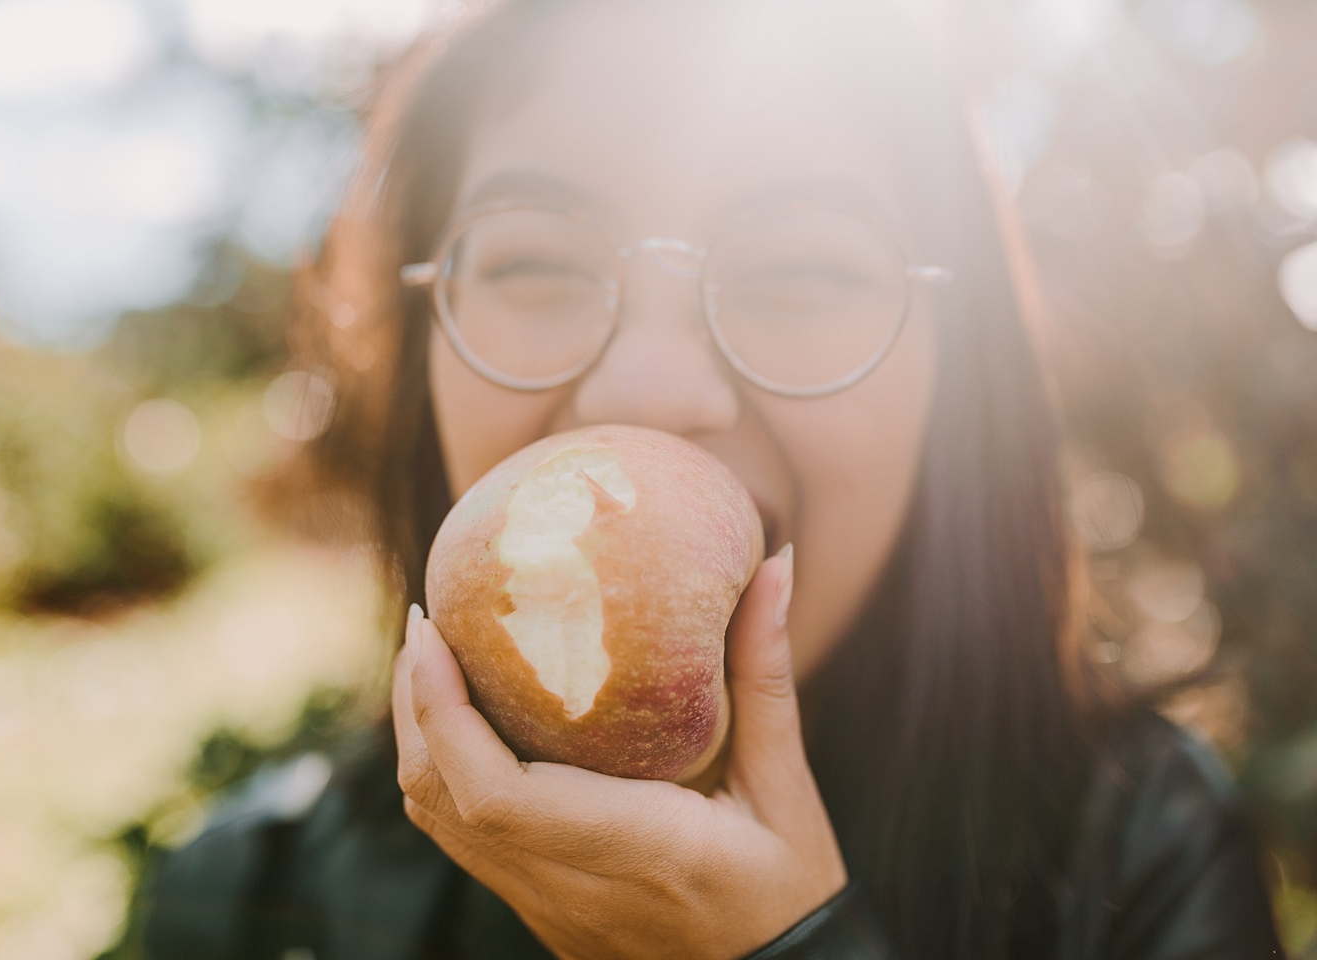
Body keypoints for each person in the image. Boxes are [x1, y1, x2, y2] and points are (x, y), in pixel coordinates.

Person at [142, 0, 1286, 957]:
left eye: (799, 267)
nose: (645, 390)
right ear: (420, 339)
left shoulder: (1148, 866)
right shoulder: (243, 901)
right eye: (534, 260)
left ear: (960, 374)